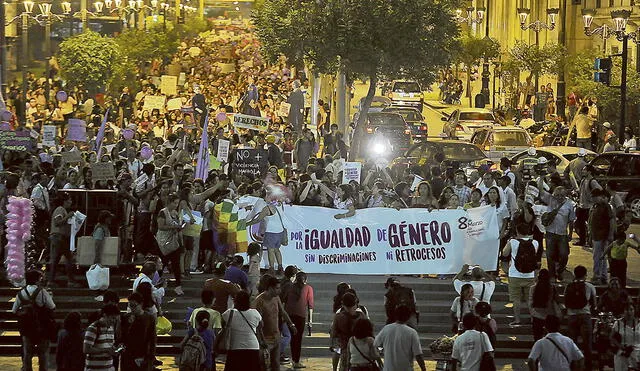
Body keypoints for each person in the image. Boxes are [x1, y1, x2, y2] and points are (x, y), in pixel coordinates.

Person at [13, 269, 56, 371]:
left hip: (27, 328)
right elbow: (52, 306)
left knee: (27, 353)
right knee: (43, 354)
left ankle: (27, 368)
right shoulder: (42, 292)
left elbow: (14, 310)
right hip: (42, 327)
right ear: (37, 280)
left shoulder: (21, 293)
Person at [253, 274, 295, 371]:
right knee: (263, 365)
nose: (279, 291)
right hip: (265, 338)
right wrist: (261, 339)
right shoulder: (259, 301)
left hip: (276, 336)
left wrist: (291, 324)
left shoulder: (276, 298)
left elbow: (283, 312)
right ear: (270, 288)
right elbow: (257, 322)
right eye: (277, 288)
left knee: (276, 364)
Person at [503, 223, 539, 327]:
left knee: (516, 299)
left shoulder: (513, 242)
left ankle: (517, 319)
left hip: (515, 274)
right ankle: (533, 318)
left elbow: (505, 253)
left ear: (517, 231)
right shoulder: (535, 243)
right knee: (529, 299)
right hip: (530, 275)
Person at [374, 305, 426, 371]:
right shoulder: (411, 332)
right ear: (408, 316)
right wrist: (423, 368)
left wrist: (380, 360)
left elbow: (375, 344)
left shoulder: (386, 329)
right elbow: (418, 355)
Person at [564, 265, 596, 370]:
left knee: (572, 344)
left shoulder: (568, 286)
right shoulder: (589, 286)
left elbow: (565, 302)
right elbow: (593, 304)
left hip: (571, 316)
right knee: (587, 344)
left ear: (574, 274)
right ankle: (588, 366)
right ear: (585, 275)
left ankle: (573, 366)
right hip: (585, 315)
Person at [223, 290, 263, 370]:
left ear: (235, 301)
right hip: (253, 347)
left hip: (235, 347)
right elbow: (261, 326)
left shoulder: (229, 313)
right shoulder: (255, 313)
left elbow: (224, 326)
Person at [48, 193, 81, 287]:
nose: (71, 202)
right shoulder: (60, 209)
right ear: (64, 201)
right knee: (68, 258)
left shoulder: (62, 210)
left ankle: (51, 280)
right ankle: (70, 281)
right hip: (59, 237)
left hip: (60, 238)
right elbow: (57, 222)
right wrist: (69, 216)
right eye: (69, 200)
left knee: (56, 259)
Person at [285, 271, 314, 368]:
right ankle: (296, 361)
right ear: (305, 279)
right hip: (300, 316)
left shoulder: (290, 287)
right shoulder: (308, 288)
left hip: (289, 315)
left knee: (293, 339)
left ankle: (294, 360)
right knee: (298, 339)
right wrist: (310, 320)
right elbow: (310, 305)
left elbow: (285, 300)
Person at [120, 292, 155, 370]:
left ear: (141, 304)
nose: (132, 309)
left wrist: (150, 357)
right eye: (130, 306)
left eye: (134, 306)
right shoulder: (126, 317)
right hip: (128, 354)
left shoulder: (149, 318)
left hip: (142, 354)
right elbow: (122, 335)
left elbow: (152, 338)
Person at [589, 188, 616, 285]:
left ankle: (597, 276)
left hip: (602, 235)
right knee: (601, 257)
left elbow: (611, 220)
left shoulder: (605, 206)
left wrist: (610, 234)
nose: (593, 199)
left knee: (598, 256)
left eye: (594, 197)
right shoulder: (596, 206)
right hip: (596, 235)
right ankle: (603, 276)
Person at [83, 303, 121, 371]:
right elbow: (86, 349)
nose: (114, 321)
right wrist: (106, 350)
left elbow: (109, 346)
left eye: (116, 319)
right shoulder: (93, 328)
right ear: (105, 315)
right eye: (112, 318)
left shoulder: (111, 328)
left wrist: (116, 350)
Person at [528, 269, 560, 341]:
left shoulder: (533, 288)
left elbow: (530, 303)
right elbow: (556, 302)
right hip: (550, 315)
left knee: (537, 338)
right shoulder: (552, 288)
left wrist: (532, 313)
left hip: (536, 315)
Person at [575, 165, 601, 247]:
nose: (583, 171)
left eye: (584, 170)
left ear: (589, 171)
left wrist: (592, 198)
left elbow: (599, 190)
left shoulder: (592, 181)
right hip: (582, 206)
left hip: (589, 207)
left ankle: (591, 241)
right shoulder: (583, 180)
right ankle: (582, 240)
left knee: (591, 225)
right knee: (580, 224)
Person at [610, 302, 640, 371]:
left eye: (631, 309)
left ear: (634, 310)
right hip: (622, 353)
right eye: (626, 310)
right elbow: (611, 337)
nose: (629, 312)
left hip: (638, 354)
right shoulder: (617, 323)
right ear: (623, 311)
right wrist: (621, 346)